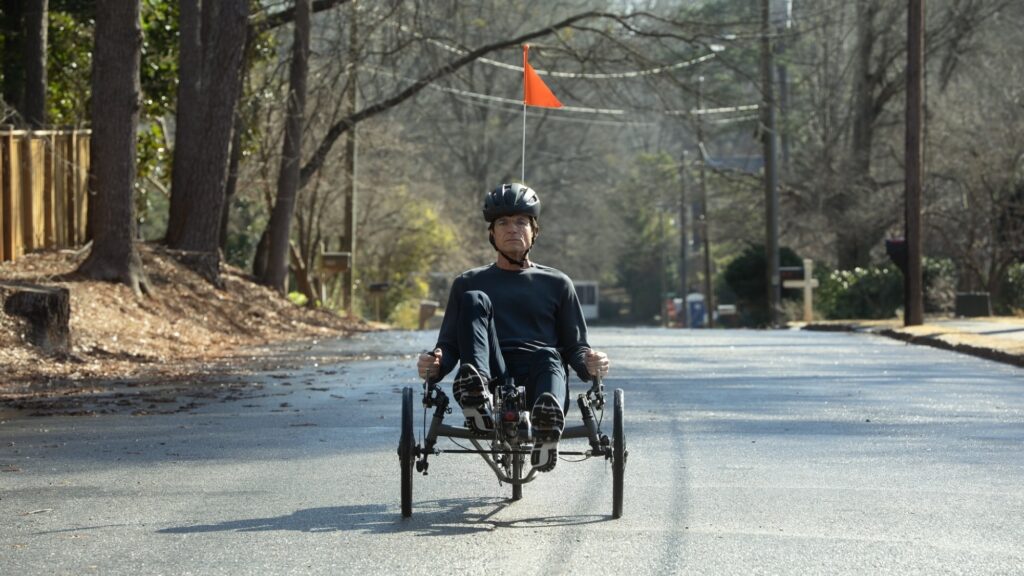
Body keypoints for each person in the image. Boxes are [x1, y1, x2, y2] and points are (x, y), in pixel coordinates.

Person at [416, 183, 610, 472]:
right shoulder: (468, 282)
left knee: (549, 354)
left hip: (541, 378)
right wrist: (435, 361)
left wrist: (593, 362)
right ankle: (475, 399)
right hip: (491, 378)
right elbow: (450, 345)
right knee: (474, 299)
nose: (512, 229)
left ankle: (547, 426)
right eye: (503, 222)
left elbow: (575, 347)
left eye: (521, 221)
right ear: (492, 234)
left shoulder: (557, 284)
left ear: (534, 231)